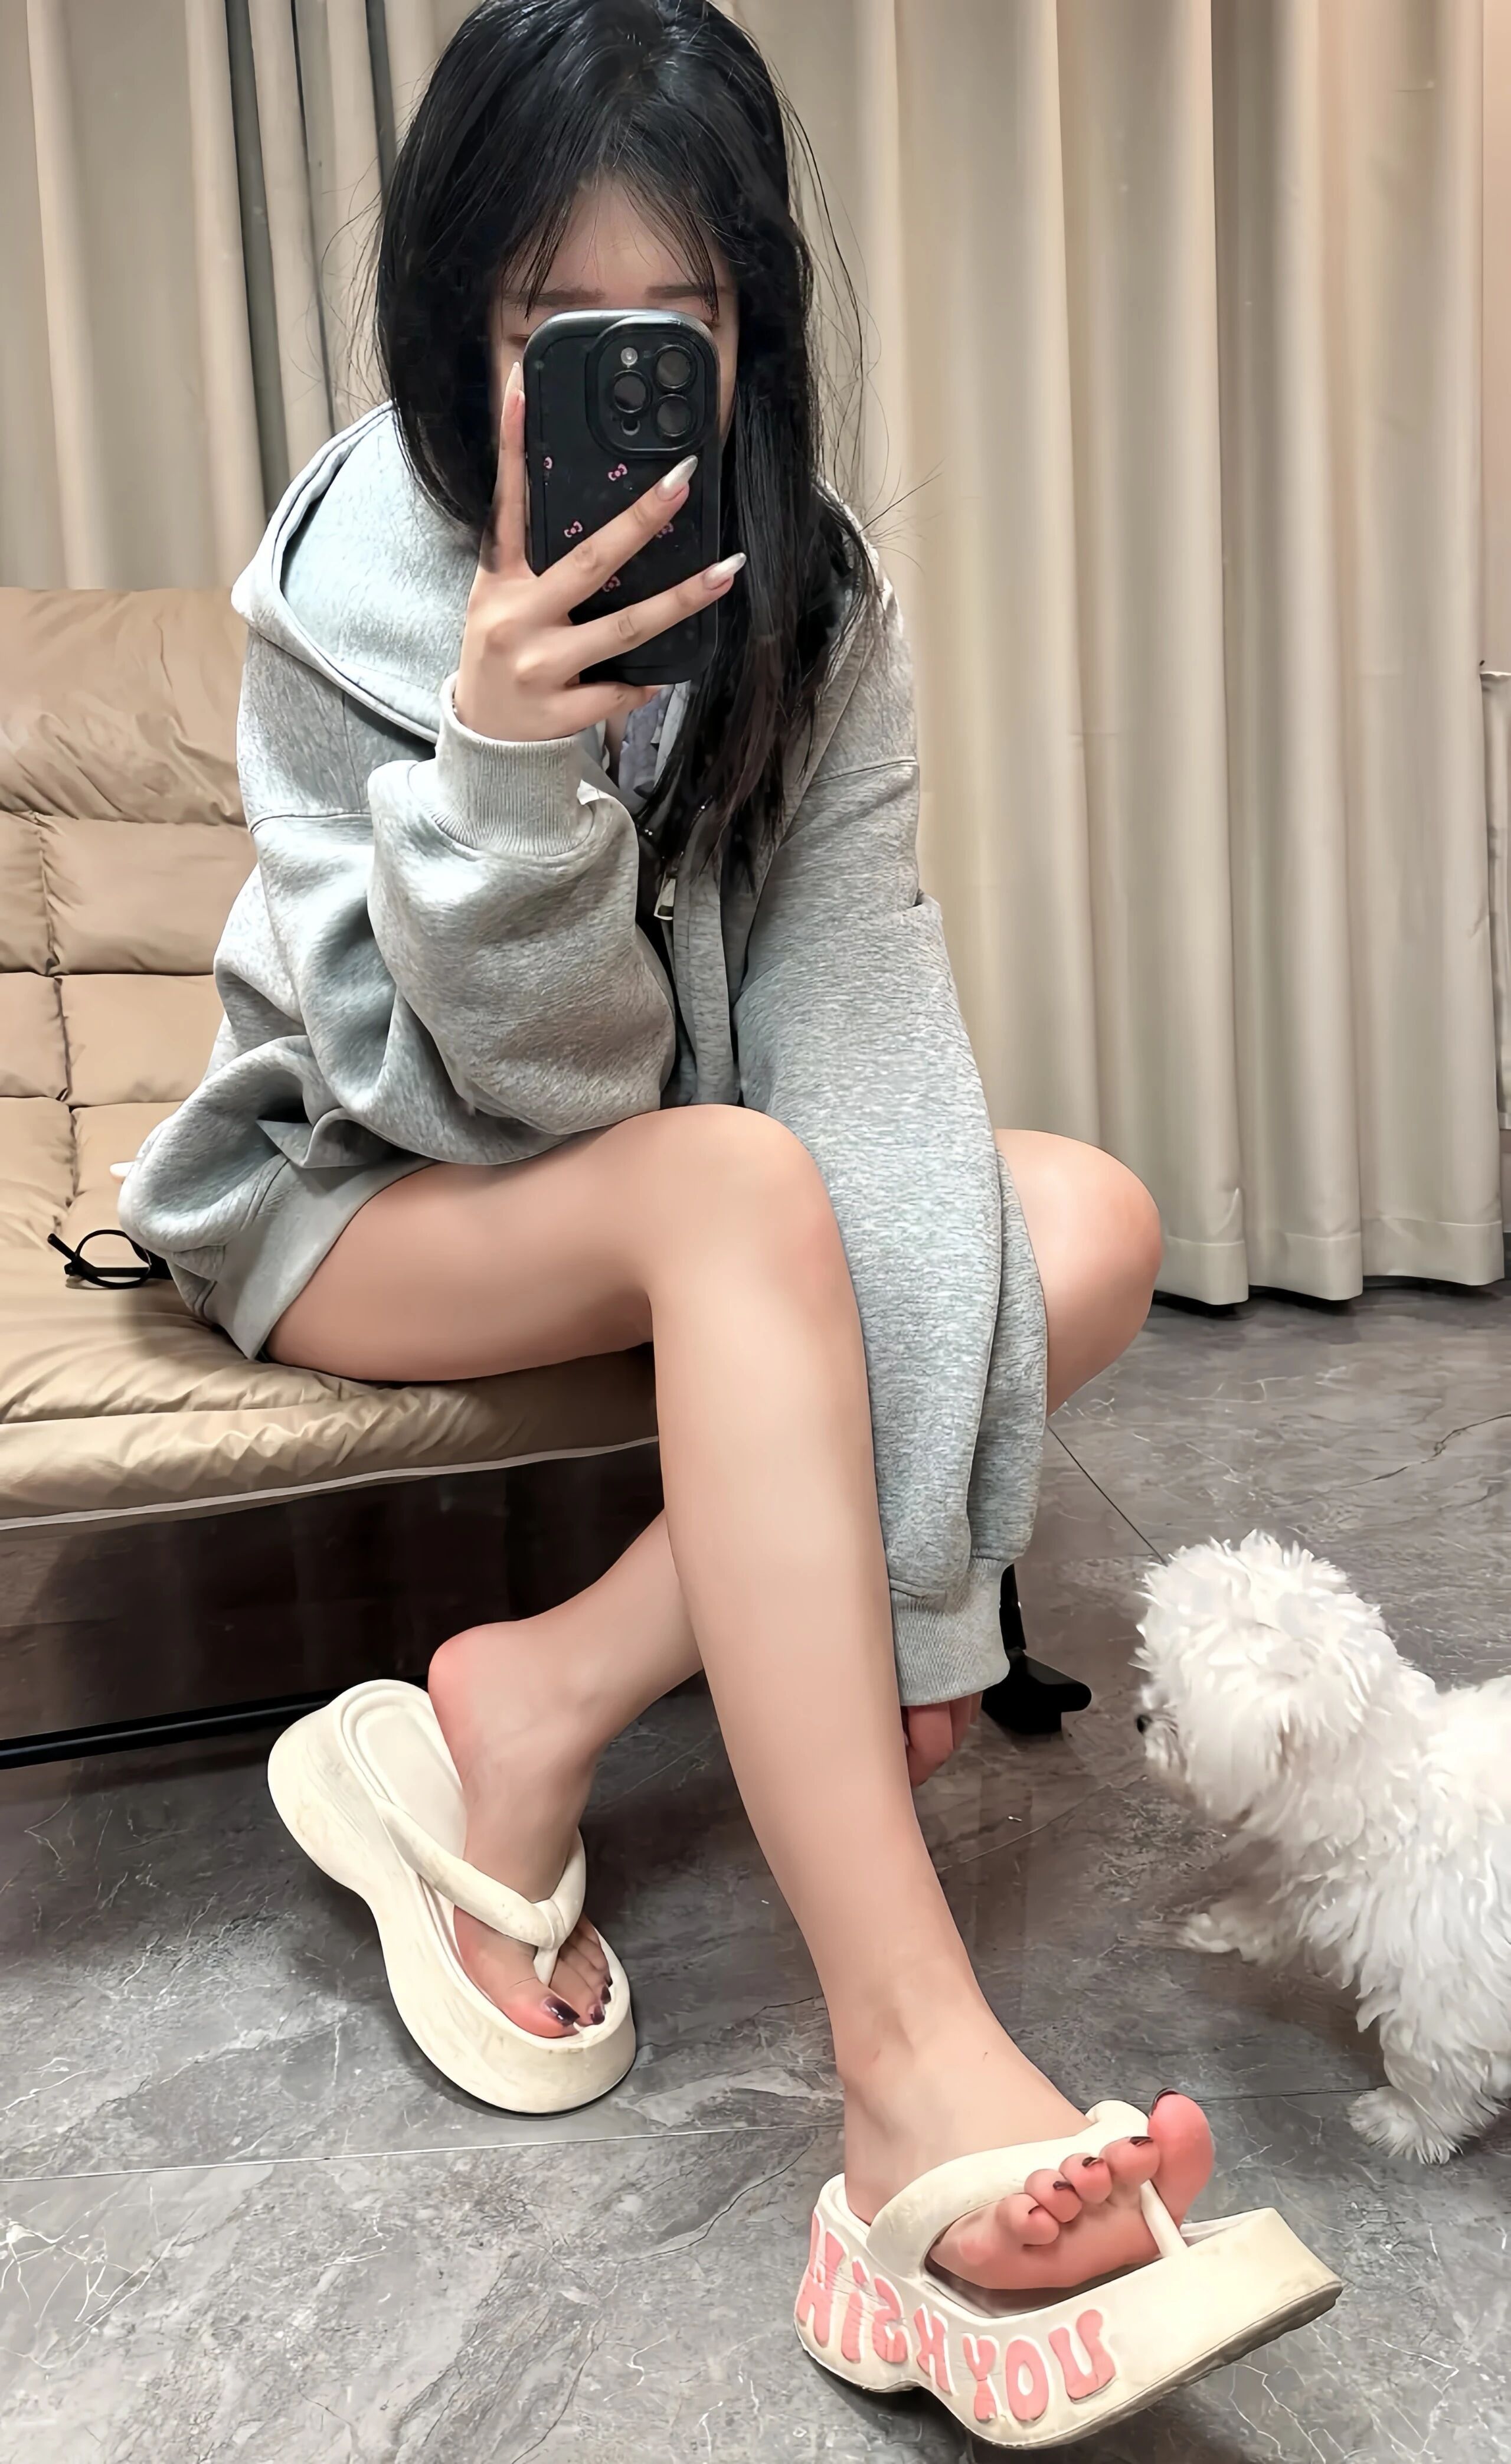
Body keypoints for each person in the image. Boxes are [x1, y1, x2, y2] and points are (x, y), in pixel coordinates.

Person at [118, 0, 1271, 2428]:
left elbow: (865, 1037)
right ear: (461, 314)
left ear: (753, 321)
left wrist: (923, 1590)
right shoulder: (360, 573)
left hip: (675, 1192)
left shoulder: (812, 594)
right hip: (363, 1190)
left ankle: (528, 1696)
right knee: (741, 1185)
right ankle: (911, 2078)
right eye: (557, 325)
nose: (624, 383)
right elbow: (491, 1095)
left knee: (1075, 1218)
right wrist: (502, 773)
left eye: (683, 320)